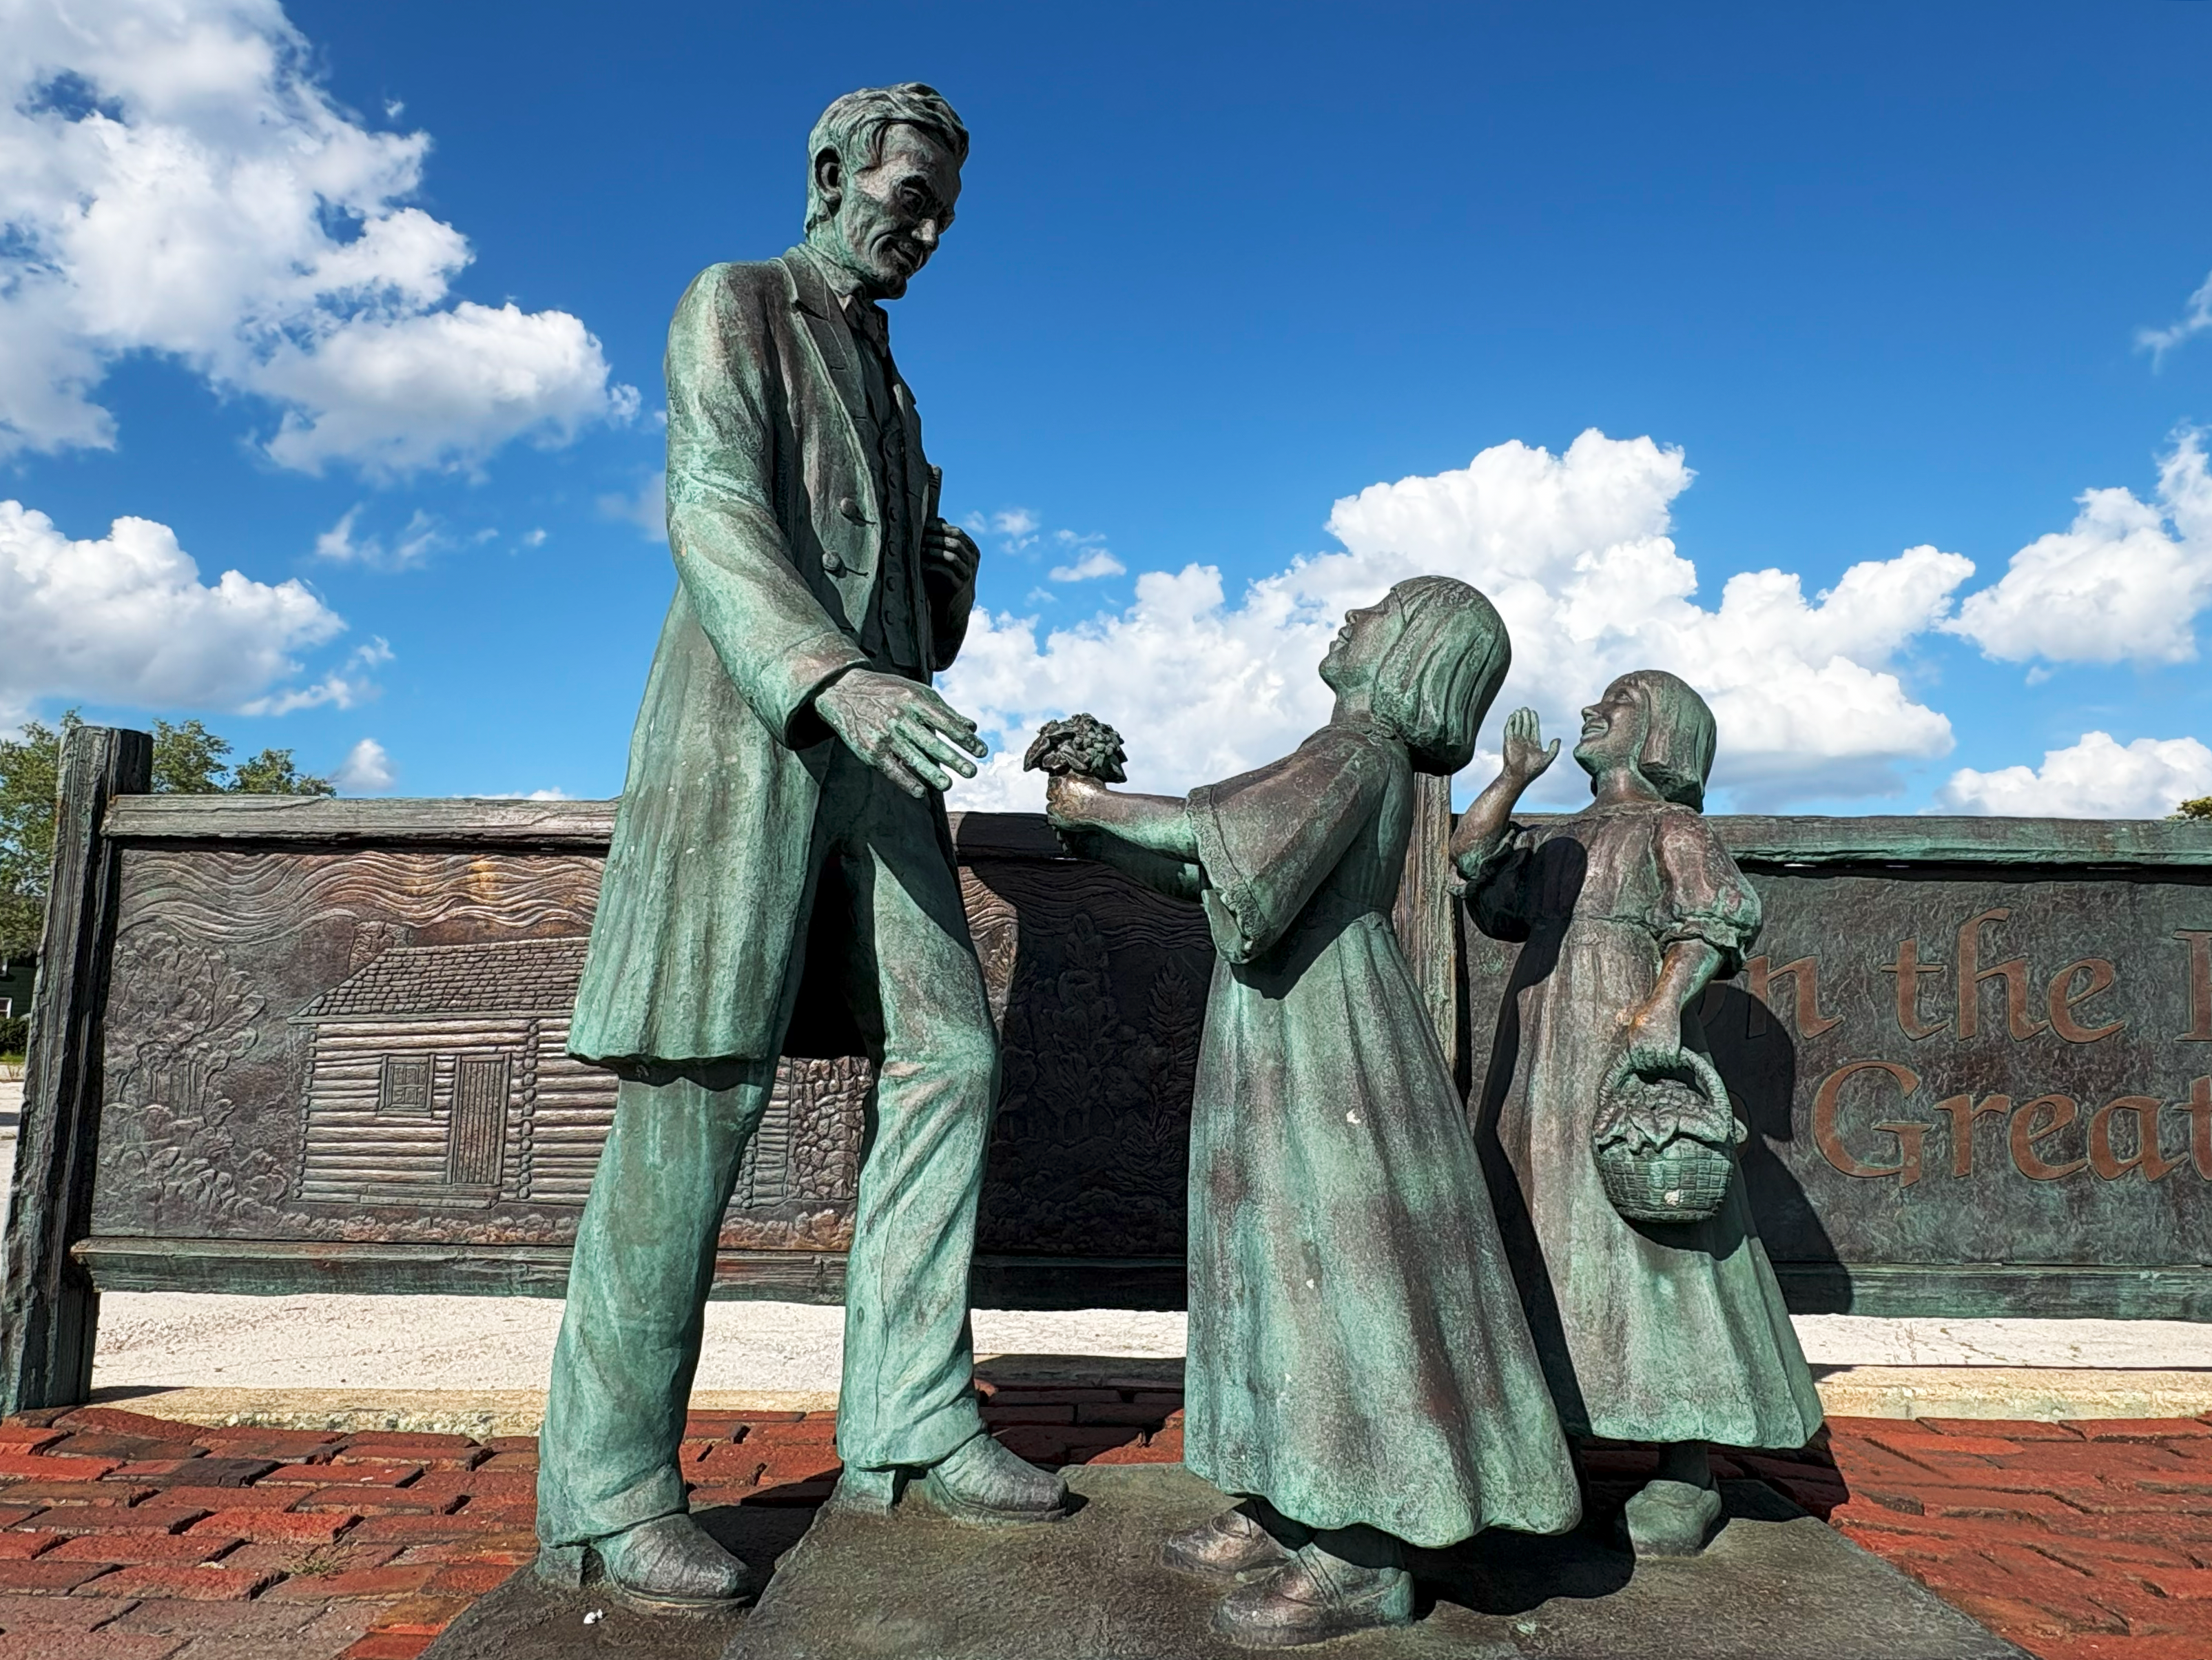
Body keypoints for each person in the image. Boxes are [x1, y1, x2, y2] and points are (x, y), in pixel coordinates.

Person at [537, 84, 1064, 1612]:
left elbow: (906, 626)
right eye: (908, 194)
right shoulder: (738, 304)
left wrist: (938, 601)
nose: (925, 228)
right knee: (697, 1098)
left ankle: (906, 1419)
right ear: (831, 172)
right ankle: (608, 1490)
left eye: (945, 214)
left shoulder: (895, 388)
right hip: (754, 744)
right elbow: (711, 512)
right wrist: (836, 675)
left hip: (874, 775)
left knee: (951, 1052)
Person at [1048, 577, 1580, 1648]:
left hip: (1330, 1044)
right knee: (1275, 1266)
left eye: (1380, 608)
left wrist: (1096, 807)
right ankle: (1294, 1502)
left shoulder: (1350, 753)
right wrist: (1099, 835)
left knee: (1341, 1274)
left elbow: (1230, 834)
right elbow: (1224, 867)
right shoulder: (1338, 755)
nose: (1351, 613)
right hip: (1290, 1032)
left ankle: (1366, 1551)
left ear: (1413, 655)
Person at [1453, 672, 1824, 1557]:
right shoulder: (1557, 838)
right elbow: (1472, 869)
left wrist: (1662, 1004)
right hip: (1536, 1056)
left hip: (1620, 1036)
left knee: (1658, 1240)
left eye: (1616, 701)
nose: (1592, 710)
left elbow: (1716, 920)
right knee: (1533, 1228)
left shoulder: (1673, 827)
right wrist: (1509, 780)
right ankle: (1558, 1428)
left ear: (1658, 731)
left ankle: (1685, 1464)